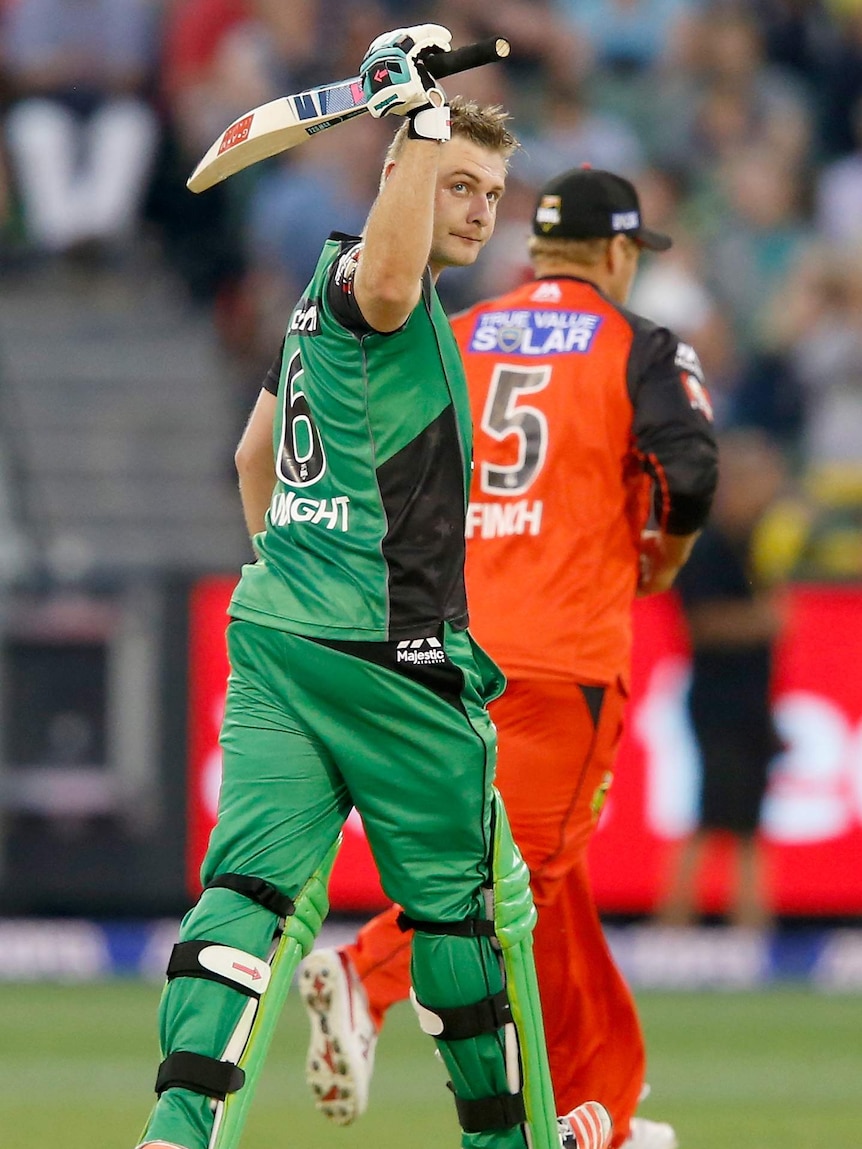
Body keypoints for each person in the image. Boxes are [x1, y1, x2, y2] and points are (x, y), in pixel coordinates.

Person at [136, 24, 610, 1149]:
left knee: (244, 902)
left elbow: (254, 462)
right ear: (400, 167)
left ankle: (178, 1129)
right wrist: (420, 119)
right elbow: (391, 280)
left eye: (492, 190)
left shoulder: (313, 304)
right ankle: (522, 1141)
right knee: (472, 925)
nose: (481, 207)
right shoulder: (373, 286)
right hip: (392, 653)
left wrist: (296, 577)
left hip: (280, 639)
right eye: (457, 183)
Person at [297, 166, 719, 1149]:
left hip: (439, 645)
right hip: (559, 657)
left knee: (549, 892)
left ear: (534, 251)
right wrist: (665, 551)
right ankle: (361, 980)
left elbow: (373, 462)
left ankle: (597, 1111)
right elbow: (691, 469)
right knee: (511, 876)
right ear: (618, 254)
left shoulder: (464, 330)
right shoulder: (636, 343)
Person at [658, 428, 787, 930]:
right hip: (719, 700)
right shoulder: (707, 545)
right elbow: (701, 624)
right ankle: (671, 928)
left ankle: (753, 929)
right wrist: (764, 622)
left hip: (752, 700)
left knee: (748, 824)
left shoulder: (754, 543)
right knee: (712, 819)